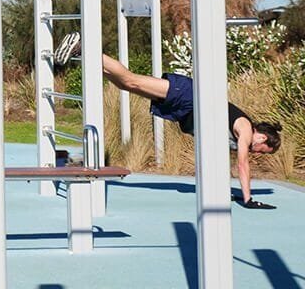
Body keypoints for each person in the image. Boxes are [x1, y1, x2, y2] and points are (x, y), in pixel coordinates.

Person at [53, 32, 282, 209]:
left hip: (184, 105)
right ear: (263, 138)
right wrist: (248, 198)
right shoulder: (245, 129)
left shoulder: (238, 133)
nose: (259, 154)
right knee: (131, 81)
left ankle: (82, 52)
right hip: (188, 95)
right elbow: (242, 164)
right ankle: (84, 45)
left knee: (125, 85)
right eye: (264, 151)